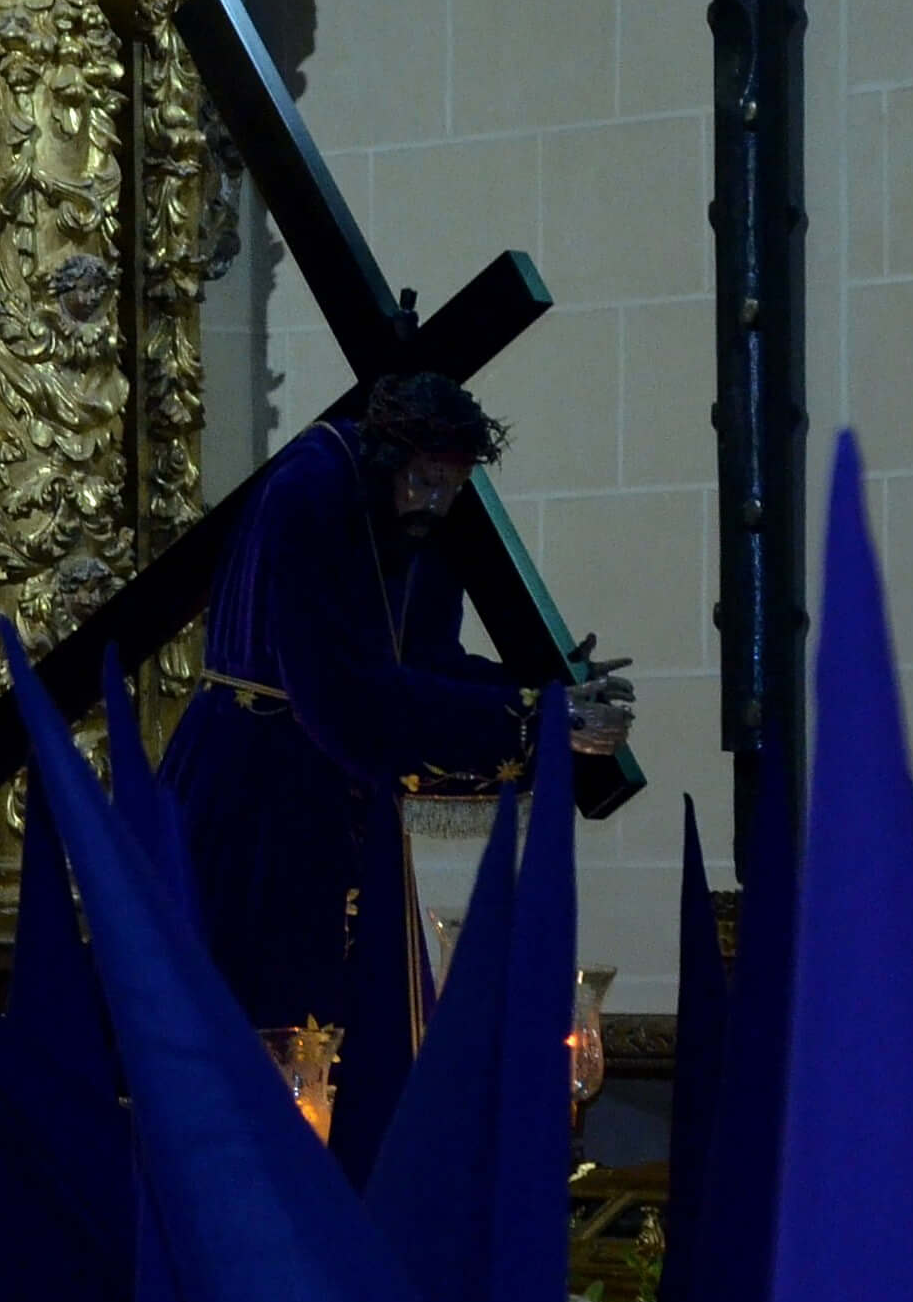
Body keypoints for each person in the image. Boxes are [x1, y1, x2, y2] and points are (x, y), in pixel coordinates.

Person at [160, 372, 633, 1182]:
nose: (436, 504)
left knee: (366, 1043)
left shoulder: (412, 525)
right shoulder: (309, 491)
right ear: (384, 457)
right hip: (258, 798)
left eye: (452, 488)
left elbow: (427, 665)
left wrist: (552, 694)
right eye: (423, 483)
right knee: (266, 1032)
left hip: (337, 802)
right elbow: (343, 698)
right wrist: (533, 719)